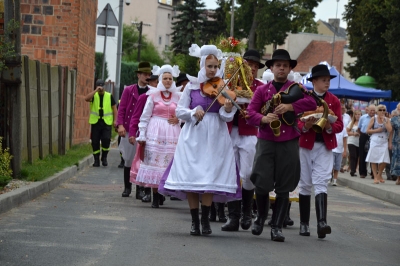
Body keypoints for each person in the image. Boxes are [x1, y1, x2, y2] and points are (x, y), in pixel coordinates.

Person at [158, 44, 241, 236]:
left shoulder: (222, 86)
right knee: (193, 178)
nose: (213, 70)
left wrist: (228, 109)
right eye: (209, 66)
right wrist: (193, 112)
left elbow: (226, 117)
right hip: (194, 136)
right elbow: (179, 111)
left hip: (216, 136)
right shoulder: (192, 87)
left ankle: (205, 221)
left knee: (209, 177)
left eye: (215, 66)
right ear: (202, 64)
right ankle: (194, 221)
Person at [246, 49, 317, 242]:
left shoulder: (296, 87)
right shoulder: (262, 90)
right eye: (278, 65)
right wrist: (263, 118)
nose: (282, 68)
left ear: (289, 69)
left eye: (285, 66)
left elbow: (312, 102)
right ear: (271, 67)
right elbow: (250, 113)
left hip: (289, 141)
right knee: (261, 182)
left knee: (284, 186)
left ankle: (276, 226)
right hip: (267, 140)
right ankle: (260, 217)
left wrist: (291, 107)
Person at [298, 64, 343, 239]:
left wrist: (330, 126)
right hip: (306, 144)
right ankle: (303, 224)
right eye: (323, 80)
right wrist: (305, 125)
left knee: (322, 181)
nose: (327, 83)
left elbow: (339, 124)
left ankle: (321, 222)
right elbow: (297, 121)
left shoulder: (334, 100)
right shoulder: (305, 98)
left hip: (324, 145)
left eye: (328, 80)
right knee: (305, 183)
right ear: (314, 81)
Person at [222, 49, 265, 232]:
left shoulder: (260, 87)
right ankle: (233, 217)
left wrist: (254, 113)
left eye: (255, 66)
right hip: (231, 131)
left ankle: (247, 213)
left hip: (249, 133)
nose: (253, 69)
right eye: (249, 65)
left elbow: (264, 110)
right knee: (232, 174)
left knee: (247, 173)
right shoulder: (230, 84)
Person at [132, 65, 181, 208]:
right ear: (160, 79)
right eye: (165, 78)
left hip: (172, 132)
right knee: (154, 162)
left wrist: (179, 119)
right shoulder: (153, 95)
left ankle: (163, 193)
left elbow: (184, 113)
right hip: (155, 131)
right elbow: (145, 116)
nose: (167, 81)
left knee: (167, 163)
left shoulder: (179, 96)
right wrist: (142, 134)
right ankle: (154, 196)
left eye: (170, 79)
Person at [117, 62, 152, 197]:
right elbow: (122, 109)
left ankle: (140, 189)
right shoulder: (128, 90)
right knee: (129, 158)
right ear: (138, 75)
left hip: (145, 129)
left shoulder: (151, 92)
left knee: (142, 160)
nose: (146, 76)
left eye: (148, 74)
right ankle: (127, 187)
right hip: (129, 127)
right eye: (144, 74)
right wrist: (120, 125)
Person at [85, 79, 118, 167]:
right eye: (99, 86)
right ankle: (96, 160)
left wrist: (115, 120)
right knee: (95, 141)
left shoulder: (109, 96)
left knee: (106, 139)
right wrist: (95, 90)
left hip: (106, 122)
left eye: (102, 86)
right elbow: (86, 98)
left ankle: (104, 157)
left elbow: (114, 108)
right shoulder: (94, 95)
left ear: (104, 86)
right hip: (96, 122)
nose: (101, 88)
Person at [365, 104, 392, 184]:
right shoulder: (374, 119)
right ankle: (375, 177)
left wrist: (384, 121)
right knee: (373, 158)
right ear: (377, 111)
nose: (382, 111)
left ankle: (379, 174)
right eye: (380, 110)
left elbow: (390, 130)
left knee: (384, 159)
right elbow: (368, 130)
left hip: (384, 139)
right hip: (375, 139)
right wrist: (376, 130)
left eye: (384, 110)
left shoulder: (387, 119)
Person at [358, 104, 376, 178]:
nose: (372, 112)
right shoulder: (363, 117)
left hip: (374, 136)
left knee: (374, 154)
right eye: (371, 110)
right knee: (362, 154)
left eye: (373, 110)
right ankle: (362, 172)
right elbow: (359, 128)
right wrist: (362, 135)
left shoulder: (377, 118)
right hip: (364, 135)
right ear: (367, 110)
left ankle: (373, 172)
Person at [347, 110, 361, 176]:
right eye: (356, 114)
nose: (358, 116)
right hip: (351, 141)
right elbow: (347, 132)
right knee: (353, 155)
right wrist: (353, 133)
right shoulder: (351, 123)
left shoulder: (361, 123)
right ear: (354, 116)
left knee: (357, 156)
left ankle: (354, 169)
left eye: (359, 114)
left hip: (358, 141)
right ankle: (352, 170)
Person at [389, 110, 400, 185]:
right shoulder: (394, 119)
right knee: (398, 160)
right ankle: (399, 178)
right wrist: (390, 142)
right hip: (397, 143)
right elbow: (391, 132)